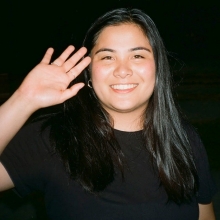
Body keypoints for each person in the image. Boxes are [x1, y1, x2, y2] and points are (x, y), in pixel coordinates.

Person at [0, 8, 217, 220]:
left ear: (158, 68)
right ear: (89, 73)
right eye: (107, 58)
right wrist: (23, 99)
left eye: (138, 56)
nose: (122, 70)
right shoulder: (53, 138)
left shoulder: (184, 139)